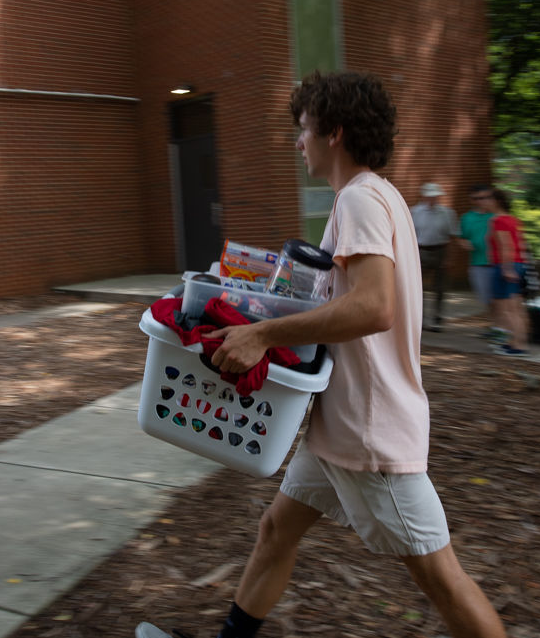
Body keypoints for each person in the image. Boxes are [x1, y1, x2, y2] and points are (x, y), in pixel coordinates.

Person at [135, 71, 507, 638]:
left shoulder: (359, 198)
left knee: (442, 580)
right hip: (343, 425)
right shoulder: (377, 197)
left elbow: (374, 308)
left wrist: (262, 336)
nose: (296, 141)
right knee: (275, 533)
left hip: (369, 433)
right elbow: (346, 303)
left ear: (333, 132)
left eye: (302, 129)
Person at [457, 183, 504, 341]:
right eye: (476, 198)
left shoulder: (497, 216)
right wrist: (464, 244)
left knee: (500, 299)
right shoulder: (467, 218)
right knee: (489, 300)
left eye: (484, 198)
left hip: (499, 263)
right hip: (478, 264)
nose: (480, 201)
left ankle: (502, 328)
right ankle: (496, 327)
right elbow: (462, 238)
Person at [486, 188, 530, 357]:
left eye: (489, 199)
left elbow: (506, 246)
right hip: (518, 264)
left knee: (508, 309)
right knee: (517, 308)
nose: (486, 203)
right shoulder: (513, 220)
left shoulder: (499, 221)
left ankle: (519, 345)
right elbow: (520, 244)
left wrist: (507, 269)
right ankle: (516, 341)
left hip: (505, 266)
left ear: (497, 201)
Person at [410, 182, 457, 332]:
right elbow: (409, 235)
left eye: (435, 196)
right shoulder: (414, 212)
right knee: (419, 288)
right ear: (423, 196)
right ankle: (421, 319)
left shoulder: (447, 213)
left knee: (440, 287)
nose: (433, 199)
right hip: (421, 250)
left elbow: (452, 237)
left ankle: (437, 318)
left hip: (440, 250)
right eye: (430, 196)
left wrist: (449, 258)